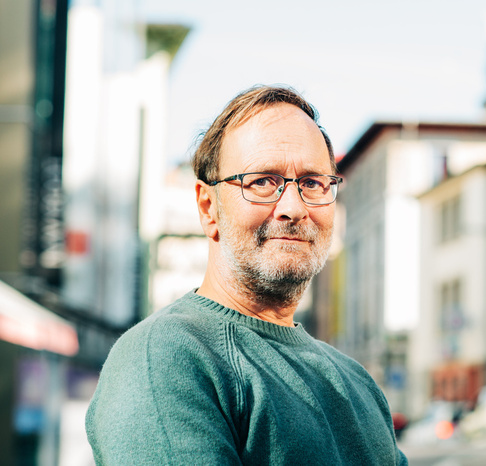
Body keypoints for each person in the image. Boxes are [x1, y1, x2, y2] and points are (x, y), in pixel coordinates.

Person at [85, 85, 408, 465]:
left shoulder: (358, 383)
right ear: (209, 209)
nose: (293, 207)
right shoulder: (167, 355)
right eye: (262, 182)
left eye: (312, 183)